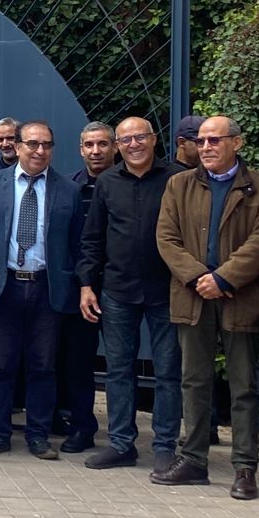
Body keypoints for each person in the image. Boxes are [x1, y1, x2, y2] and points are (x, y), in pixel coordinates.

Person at [153, 116, 259, 499]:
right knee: (193, 380)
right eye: (201, 141)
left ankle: (244, 468)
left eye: (214, 140)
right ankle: (194, 460)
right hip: (192, 295)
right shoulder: (179, 184)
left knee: (243, 385)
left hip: (238, 296)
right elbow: (166, 238)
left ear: (236, 143)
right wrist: (197, 277)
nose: (205, 147)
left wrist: (223, 278)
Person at [0, 120, 82, 461]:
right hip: (5, 286)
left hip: (47, 287)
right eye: (32, 144)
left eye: (46, 145)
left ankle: (38, 435)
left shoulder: (68, 190)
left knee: (43, 365)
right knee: (1, 365)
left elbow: (77, 243)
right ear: (17, 147)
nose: (39, 151)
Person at [77, 117, 186, 472]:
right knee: (118, 370)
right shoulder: (107, 182)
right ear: (118, 146)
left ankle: (165, 446)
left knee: (168, 371)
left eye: (140, 137)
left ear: (153, 139)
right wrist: (86, 284)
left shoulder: (177, 178)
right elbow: (93, 238)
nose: (134, 144)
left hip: (166, 289)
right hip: (117, 290)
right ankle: (121, 443)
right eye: (126, 140)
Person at [55, 121, 114, 454]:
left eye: (103, 144)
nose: (96, 151)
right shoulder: (69, 188)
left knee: (120, 364)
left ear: (114, 147)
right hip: (81, 287)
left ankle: (122, 431)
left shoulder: (126, 183)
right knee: (78, 361)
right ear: (80, 149)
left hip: (119, 285)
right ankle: (81, 426)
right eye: (89, 145)